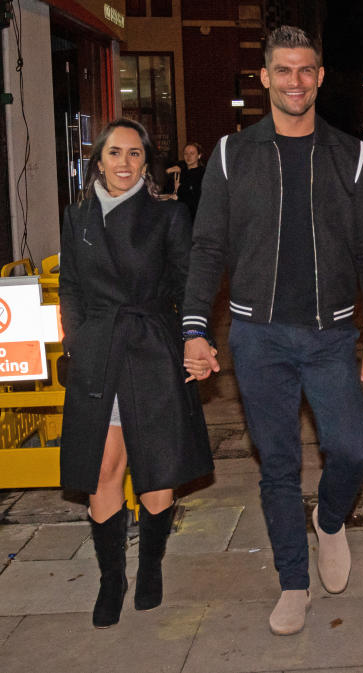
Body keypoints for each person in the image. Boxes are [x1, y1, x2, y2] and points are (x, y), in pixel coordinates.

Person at [182, 25, 363, 636]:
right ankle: (293, 583)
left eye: (306, 70)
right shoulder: (230, 154)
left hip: (332, 336)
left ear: (319, 77)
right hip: (258, 336)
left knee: (351, 451)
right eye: (283, 70)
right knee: (277, 465)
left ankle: (329, 521)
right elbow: (207, 247)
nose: (295, 81)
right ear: (266, 78)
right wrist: (196, 328)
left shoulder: (352, 155)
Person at [58, 118, 213, 628]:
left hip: (150, 349)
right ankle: (111, 578)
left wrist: (195, 336)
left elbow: (192, 284)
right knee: (102, 467)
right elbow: (72, 288)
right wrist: (79, 341)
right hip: (99, 353)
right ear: (97, 159)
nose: (124, 163)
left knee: (156, 468)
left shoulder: (168, 217)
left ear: (146, 164)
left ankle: (149, 565)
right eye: (115, 153)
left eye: (134, 155)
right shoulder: (77, 217)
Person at [164, 142, 205, 220]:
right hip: (178, 215)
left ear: (199, 156)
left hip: (194, 217)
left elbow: (196, 198)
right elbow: (165, 188)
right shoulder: (180, 171)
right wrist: (168, 171)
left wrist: (178, 198)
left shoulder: (203, 173)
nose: (188, 156)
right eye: (186, 153)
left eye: (192, 153)